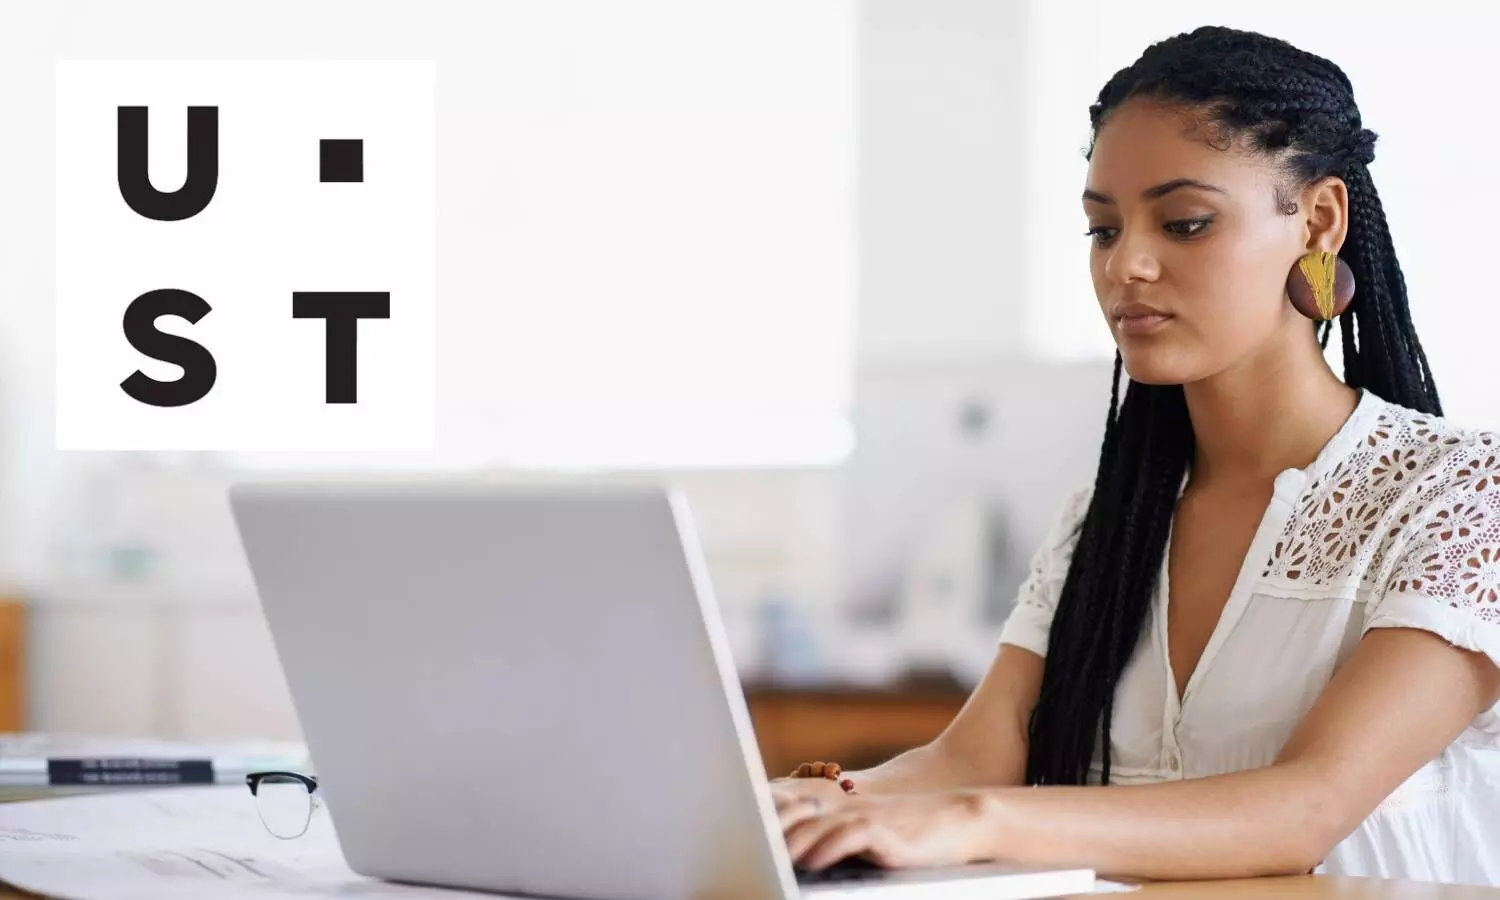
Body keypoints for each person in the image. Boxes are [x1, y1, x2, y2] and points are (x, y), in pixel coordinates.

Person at [773, 25, 1500, 886]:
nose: (1129, 266)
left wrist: (969, 823)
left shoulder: (1459, 497)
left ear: (1319, 220)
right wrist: (806, 803)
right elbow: (972, 760)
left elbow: (1305, 808)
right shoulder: (1104, 518)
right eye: (1103, 230)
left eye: (1185, 222)